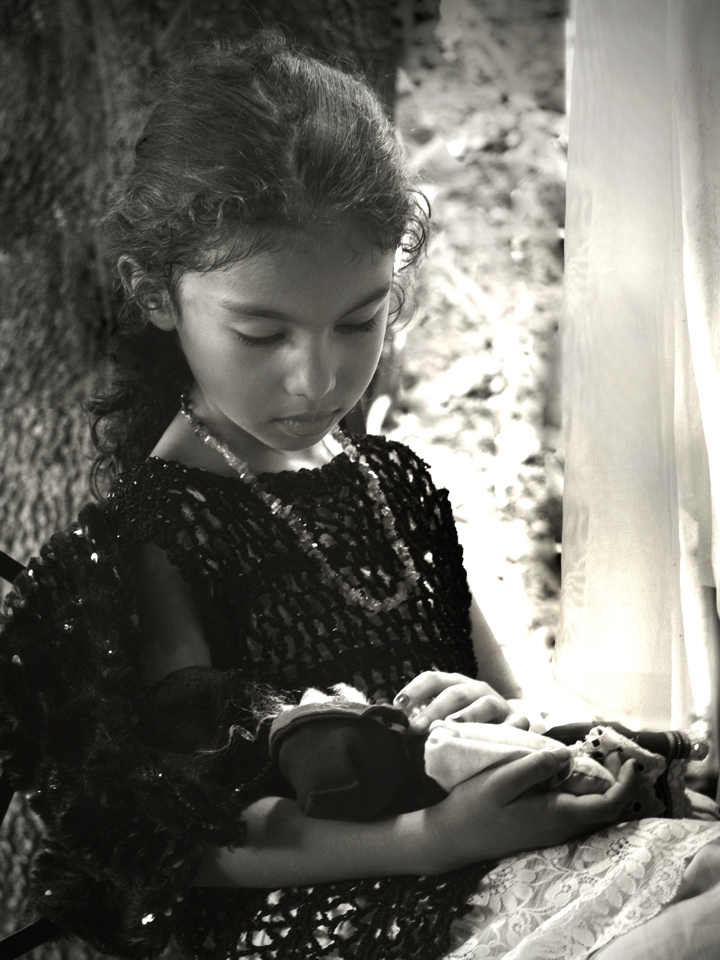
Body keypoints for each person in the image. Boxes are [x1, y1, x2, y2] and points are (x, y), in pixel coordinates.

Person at [1, 30, 720, 960]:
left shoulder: (394, 486)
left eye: (359, 320)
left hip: (488, 866)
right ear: (156, 296)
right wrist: (433, 837)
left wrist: (518, 734)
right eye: (262, 334)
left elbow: (520, 707)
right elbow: (171, 833)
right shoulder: (155, 533)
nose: (319, 377)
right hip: (325, 918)